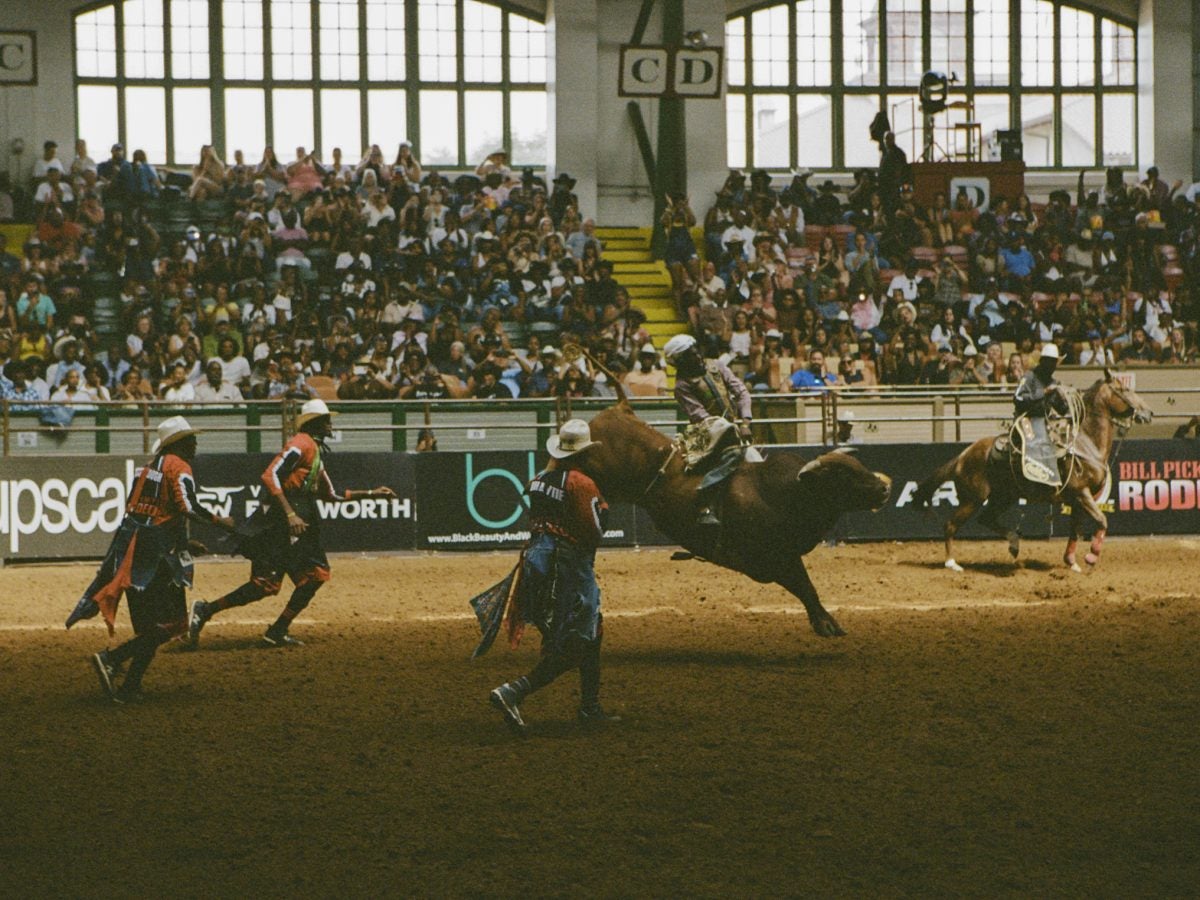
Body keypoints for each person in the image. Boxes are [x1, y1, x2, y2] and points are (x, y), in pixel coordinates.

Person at [186, 399, 395, 647]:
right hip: (280, 521)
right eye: (327, 420)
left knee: (295, 579)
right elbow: (270, 475)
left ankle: (264, 626)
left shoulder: (314, 451)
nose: (330, 425)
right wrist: (289, 514)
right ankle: (212, 611)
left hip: (296, 519)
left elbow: (332, 495)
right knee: (277, 582)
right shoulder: (301, 444)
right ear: (316, 423)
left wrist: (372, 493)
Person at [65, 417, 233, 703]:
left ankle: (130, 686)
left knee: (149, 629)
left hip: (132, 552)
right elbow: (186, 506)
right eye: (190, 439)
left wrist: (183, 543)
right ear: (178, 443)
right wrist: (220, 521)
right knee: (177, 623)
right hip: (156, 556)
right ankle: (111, 658)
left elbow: (146, 511)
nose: (195, 444)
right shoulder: (179, 466)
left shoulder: (145, 470)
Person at [480, 419, 618, 733]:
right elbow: (594, 529)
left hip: (537, 560)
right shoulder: (581, 483)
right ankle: (514, 691)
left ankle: (589, 707)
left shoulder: (539, 478)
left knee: (591, 632)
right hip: (567, 565)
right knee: (575, 641)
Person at [663, 333, 753, 527]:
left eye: (695, 351)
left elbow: (741, 392)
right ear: (680, 361)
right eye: (690, 355)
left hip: (735, 427)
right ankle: (704, 498)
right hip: (707, 433)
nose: (696, 356)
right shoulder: (682, 386)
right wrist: (734, 428)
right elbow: (700, 416)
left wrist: (745, 421)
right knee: (733, 456)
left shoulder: (717, 366)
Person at [1012, 343, 1070, 488]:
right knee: (1036, 442)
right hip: (1026, 418)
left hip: (1044, 422)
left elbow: (1062, 409)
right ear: (1042, 361)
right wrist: (1043, 392)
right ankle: (1036, 479)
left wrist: (1065, 399)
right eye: (1048, 362)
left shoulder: (1053, 383)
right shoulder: (1029, 376)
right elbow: (1018, 398)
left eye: (1054, 362)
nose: (1051, 366)